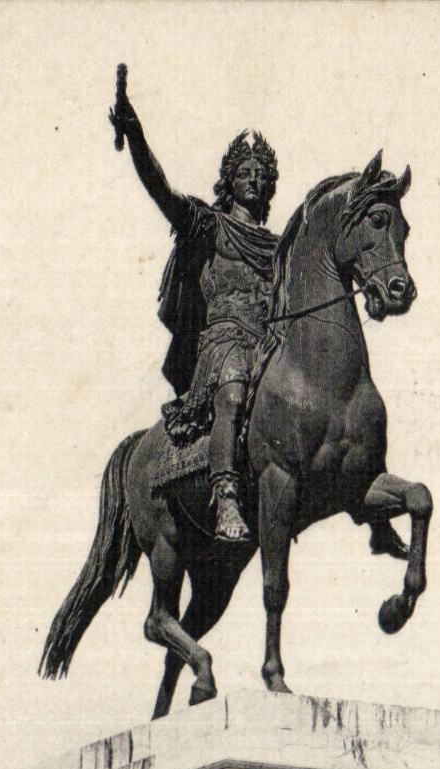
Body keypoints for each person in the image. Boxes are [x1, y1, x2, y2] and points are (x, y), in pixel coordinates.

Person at [109, 80, 279, 546]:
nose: (254, 179)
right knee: (234, 380)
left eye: (261, 173)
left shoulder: (278, 246)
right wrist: (136, 137)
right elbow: (161, 192)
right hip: (222, 343)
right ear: (230, 178)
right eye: (245, 171)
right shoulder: (209, 225)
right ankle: (224, 495)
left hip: (267, 342)